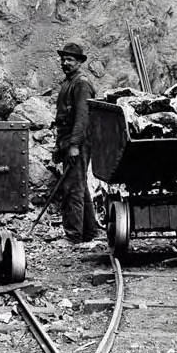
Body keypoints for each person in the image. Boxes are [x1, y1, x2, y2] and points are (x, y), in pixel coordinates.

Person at [54, 42, 101, 244]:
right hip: (68, 141)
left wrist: (74, 145)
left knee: (73, 188)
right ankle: (89, 232)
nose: (65, 63)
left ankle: (73, 235)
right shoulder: (69, 82)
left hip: (78, 143)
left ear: (79, 62)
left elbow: (83, 118)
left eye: (70, 60)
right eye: (64, 59)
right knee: (79, 185)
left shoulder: (81, 84)